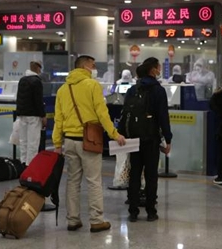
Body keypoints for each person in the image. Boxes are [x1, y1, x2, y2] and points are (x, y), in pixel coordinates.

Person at [53, 55, 126, 233]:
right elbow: (102, 113)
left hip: (69, 141)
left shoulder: (63, 89)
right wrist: (114, 134)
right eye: (93, 65)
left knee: (72, 181)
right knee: (93, 181)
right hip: (89, 140)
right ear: (85, 66)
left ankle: (72, 220)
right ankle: (96, 220)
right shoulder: (92, 85)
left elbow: (58, 118)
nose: (94, 69)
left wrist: (57, 143)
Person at [121, 57, 172, 222]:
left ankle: (133, 211)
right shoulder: (158, 90)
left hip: (133, 138)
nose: (159, 70)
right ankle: (151, 211)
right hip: (151, 138)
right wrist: (168, 138)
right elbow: (163, 117)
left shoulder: (132, 89)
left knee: (134, 173)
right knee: (151, 175)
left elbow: (125, 113)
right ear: (153, 70)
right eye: (158, 67)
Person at [16, 61, 46, 165]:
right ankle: (31, 166)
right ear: (38, 69)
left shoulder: (22, 80)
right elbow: (38, 101)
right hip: (34, 116)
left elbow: (19, 98)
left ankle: (23, 163)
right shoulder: (37, 81)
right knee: (33, 143)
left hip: (22, 115)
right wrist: (43, 115)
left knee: (23, 142)